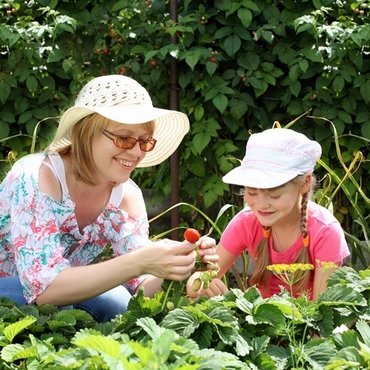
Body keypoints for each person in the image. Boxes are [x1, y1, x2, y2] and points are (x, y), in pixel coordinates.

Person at [0, 74, 217, 322]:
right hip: (15, 287)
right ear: (86, 132)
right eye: (124, 138)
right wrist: (139, 261)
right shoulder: (37, 177)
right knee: (105, 301)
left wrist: (178, 267)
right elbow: (45, 290)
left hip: (57, 301)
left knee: (115, 303)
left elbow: (140, 289)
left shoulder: (126, 197)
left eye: (144, 142)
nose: (135, 152)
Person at [187, 127, 350, 301]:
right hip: (260, 322)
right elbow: (196, 284)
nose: (262, 204)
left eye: (274, 194)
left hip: (305, 325)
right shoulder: (246, 222)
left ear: (305, 183)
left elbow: (322, 311)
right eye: (252, 191)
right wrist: (201, 284)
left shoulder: (325, 232)